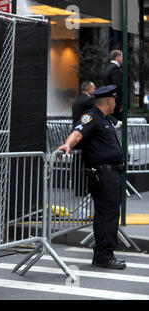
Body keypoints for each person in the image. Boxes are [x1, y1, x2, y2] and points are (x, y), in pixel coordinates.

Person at [57, 85, 126, 270]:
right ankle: (104, 255)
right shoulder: (92, 116)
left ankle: (104, 254)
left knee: (109, 214)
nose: (116, 103)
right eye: (114, 100)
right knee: (107, 215)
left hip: (111, 173)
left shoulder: (103, 119)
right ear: (109, 101)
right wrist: (67, 145)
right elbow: (78, 133)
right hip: (103, 175)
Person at [104, 50, 123, 121]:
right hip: (115, 103)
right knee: (119, 124)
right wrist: (121, 103)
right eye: (122, 57)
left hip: (110, 101)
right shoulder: (115, 68)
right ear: (118, 58)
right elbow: (118, 86)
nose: (122, 59)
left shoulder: (108, 67)